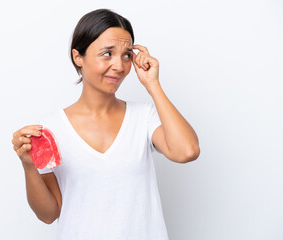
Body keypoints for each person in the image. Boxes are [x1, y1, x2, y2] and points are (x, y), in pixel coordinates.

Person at [12, 8, 200, 240]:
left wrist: (153, 85)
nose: (120, 66)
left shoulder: (143, 117)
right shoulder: (50, 130)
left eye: (127, 55)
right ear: (78, 56)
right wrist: (28, 165)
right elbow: (49, 214)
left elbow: (187, 151)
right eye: (107, 54)